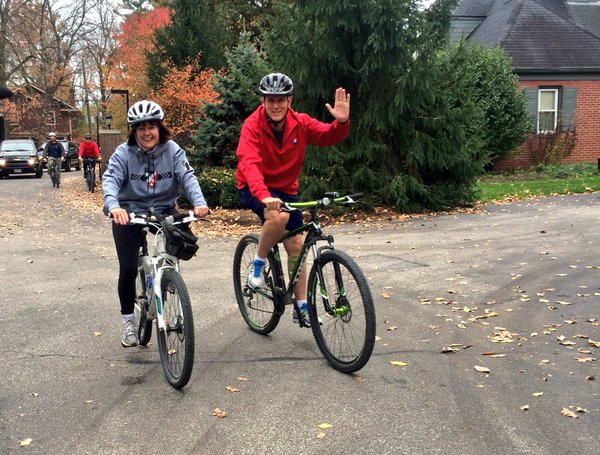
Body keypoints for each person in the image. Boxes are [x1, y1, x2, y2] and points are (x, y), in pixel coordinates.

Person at [235, 72, 350, 327]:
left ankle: (301, 308)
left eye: (281, 100)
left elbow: (327, 135)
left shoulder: (301, 123)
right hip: (254, 186)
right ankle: (258, 264)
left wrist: (341, 123)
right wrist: (264, 196)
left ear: (289, 100)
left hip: (286, 189)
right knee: (278, 216)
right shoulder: (252, 125)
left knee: (296, 245)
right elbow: (249, 162)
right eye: (270, 100)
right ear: (263, 101)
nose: (275, 105)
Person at [102, 100, 209, 347]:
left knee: (180, 244)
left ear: (160, 128)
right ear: (134, 131)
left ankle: (167, 276)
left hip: (163, 209)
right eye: (141, 128)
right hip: (129, 212)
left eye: (151, 126)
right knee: (128, 268)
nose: (147, 132)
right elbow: (110, 180)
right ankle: (129, 321)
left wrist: (199, 203)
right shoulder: (122, 154)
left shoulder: (172, 150)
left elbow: (187, 176)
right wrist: (114, 206)